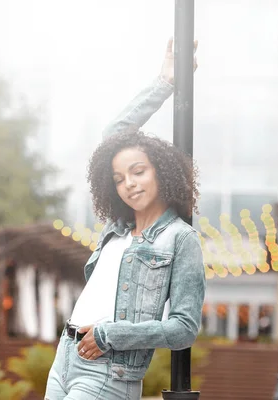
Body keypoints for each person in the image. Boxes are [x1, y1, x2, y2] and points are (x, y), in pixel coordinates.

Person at [44, 38, 206, 400]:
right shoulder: (117, 229)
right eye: (119, 178)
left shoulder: (180, 239)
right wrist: (164, 83)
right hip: (66, 357)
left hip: (108, 367)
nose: (128, 184)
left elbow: (184, 328)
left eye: (138, 172)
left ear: (161, 173)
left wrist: (110, 335)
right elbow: (112, 137)